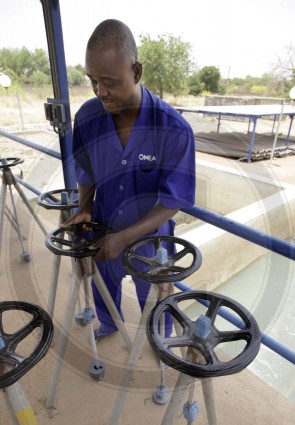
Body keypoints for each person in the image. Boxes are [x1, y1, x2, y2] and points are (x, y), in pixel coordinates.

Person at [66, 19, 196, 340]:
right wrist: (84, 208)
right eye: (93, 81)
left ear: (136, 72)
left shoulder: (174, 129)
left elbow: (172, 201)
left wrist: (123, 239)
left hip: (150, 242)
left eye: (109, 81)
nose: (100, 91)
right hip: (103, 226)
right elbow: (86, 169)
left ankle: (158, 339)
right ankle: (110, 325)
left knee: (153, 302)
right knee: (104, 291)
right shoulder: (87, 117)